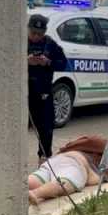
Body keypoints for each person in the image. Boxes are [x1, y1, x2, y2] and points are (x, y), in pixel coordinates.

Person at [26, 14, 68, 163]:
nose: (36, 37)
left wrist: (48, 62)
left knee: (46, 128)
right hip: (22, 92)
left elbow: (63, 64)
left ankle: (43, 161)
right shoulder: (19, 43)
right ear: (27, 30)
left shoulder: (50, 44)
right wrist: (26, 61)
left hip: (43, 91)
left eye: (40, 34)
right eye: (33, 33)